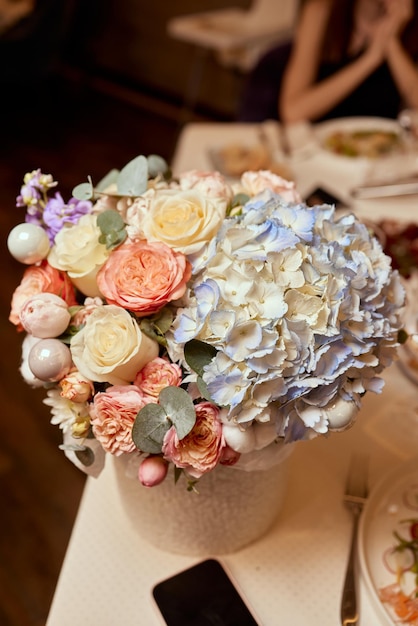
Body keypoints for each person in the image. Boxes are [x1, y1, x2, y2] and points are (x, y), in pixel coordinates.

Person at [279, 0, 418, 123]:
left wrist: (392, 43)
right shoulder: (321, 10)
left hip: (394, 148)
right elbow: (293, 112)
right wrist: (370, 59)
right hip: (324, 147)